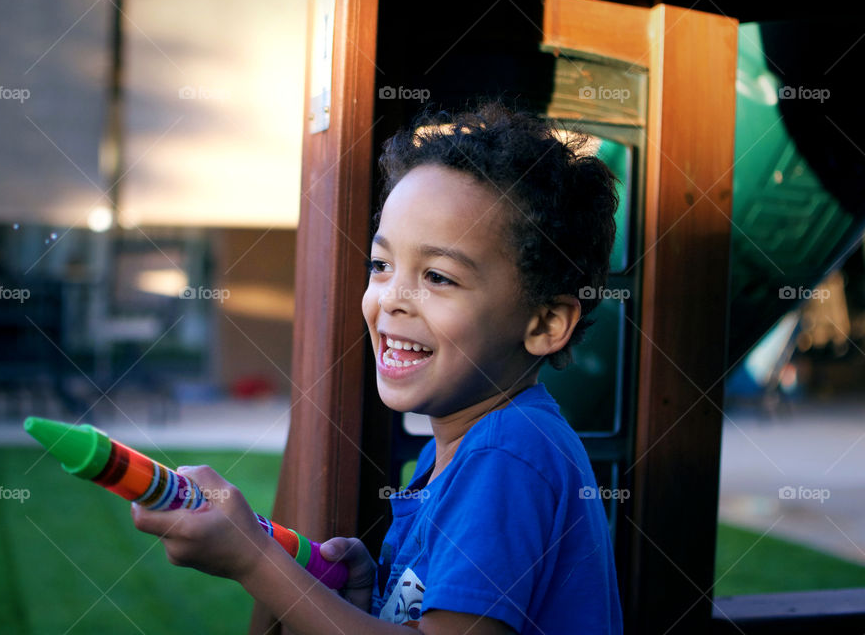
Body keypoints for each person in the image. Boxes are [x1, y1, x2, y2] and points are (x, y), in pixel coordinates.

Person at [132, 101, 624, 634]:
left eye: (438, 276)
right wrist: (368, 594)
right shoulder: (461, 450)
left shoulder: (507, 453)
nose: (392, 298)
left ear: (546, 322)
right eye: (382, 265)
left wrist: (254, 560)